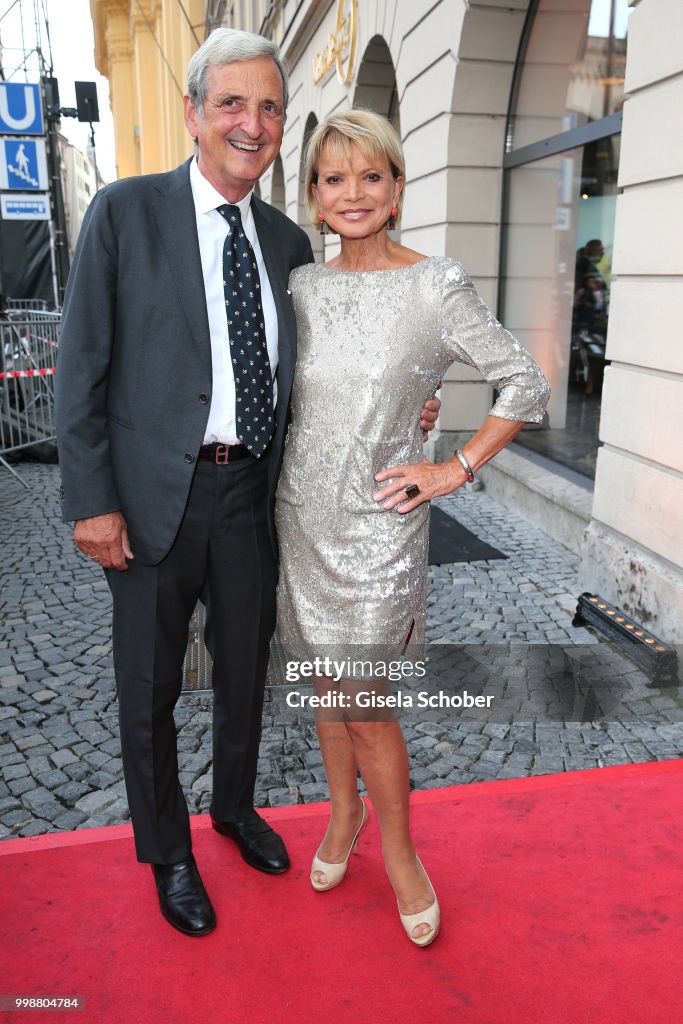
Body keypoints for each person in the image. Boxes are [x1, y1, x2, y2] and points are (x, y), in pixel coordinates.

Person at [55, 30, 439, 938]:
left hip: (254, 498)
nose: (252, 122)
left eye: (268, 107)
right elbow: (81, 371)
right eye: (232, 103)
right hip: (151, 501)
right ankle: (168, 852)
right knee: (150, 684)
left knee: (244, 673)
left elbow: (331, 368)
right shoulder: (125, 214)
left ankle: (232, 810)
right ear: (193, 113)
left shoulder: (286, 240)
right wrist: (90, 501)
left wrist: (410, 415)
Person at [273, 110, 551, 947]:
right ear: (315, 199)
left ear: (396, 189)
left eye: (369, 176)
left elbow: (524, 384)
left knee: (367, 705)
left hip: (381, 527)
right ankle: (342, 815)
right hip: (297, 517)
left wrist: (451, 468)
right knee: (325, 687)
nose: (350, 193)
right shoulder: (302, 286)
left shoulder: (435, 283)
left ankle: (398, 850)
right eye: (332, 178)